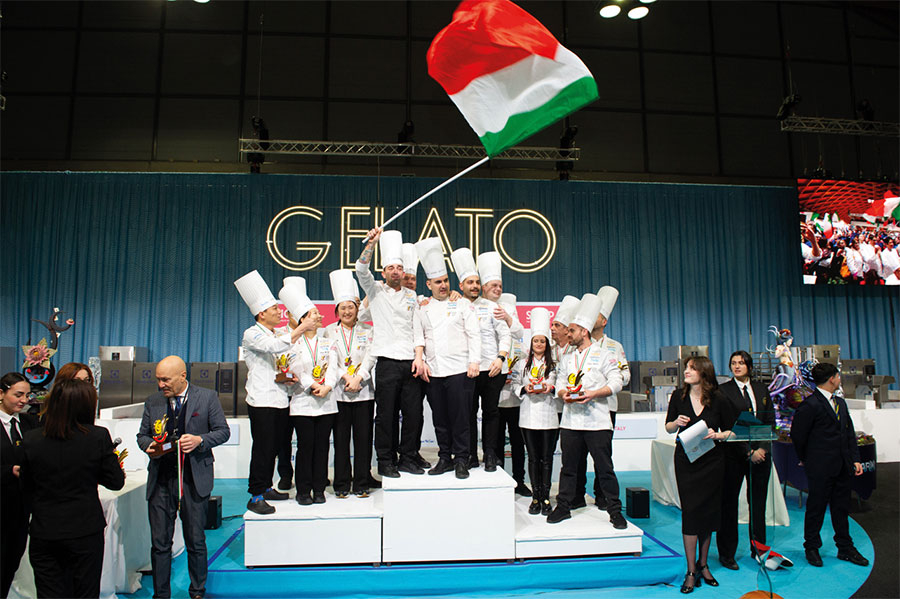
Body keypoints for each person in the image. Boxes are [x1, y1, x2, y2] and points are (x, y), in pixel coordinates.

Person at [20, 379, 125, 599]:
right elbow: (115, 481)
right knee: (84, 592)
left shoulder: (31, 439)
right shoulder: (97, 437)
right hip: (84, 530)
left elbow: (26, 489)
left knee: (48, 592)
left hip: (45, 530)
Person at [136, 355, 230, 599]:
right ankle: (161, 594)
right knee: (160, 544)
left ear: (182, 377)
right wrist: (148, 447)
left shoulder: (207, 397)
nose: (161, 385)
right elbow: (142, 436)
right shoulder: (153, 401)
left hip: (194, 479)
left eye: (165, 380)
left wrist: (200, 440)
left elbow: (222, 432)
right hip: (161, 480)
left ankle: (197, 591)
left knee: (196, 541)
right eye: (158, 380)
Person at [234, 270, 309, 514]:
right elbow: (274, 346)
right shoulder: (252, 333)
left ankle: (266, 486)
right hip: (262, 400)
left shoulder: (277, 332)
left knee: (275, 447)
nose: (279, 312)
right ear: (261, 313)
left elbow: (284, 355)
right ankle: (255, 496)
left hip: (280, 399)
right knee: (263, 448)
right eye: (275, 310)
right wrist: (301, 328)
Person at [549, 294, 626, 530]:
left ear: (583, 331)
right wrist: (563, 394)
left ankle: (614, 511)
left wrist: (594, 393)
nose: (568, 335)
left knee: (605, 469)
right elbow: (561, 382)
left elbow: (617, 381)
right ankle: (564, 506)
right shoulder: (568, 358)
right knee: (569, 468)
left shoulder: (606, 355)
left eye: (571, 330)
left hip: (598, 422)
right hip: (571, 422)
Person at [355, 228, 424, 478]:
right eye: (391, 268)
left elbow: (417, 329)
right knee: (386, 417)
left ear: (403, 272)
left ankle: (407, 457)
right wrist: (371, 244)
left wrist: (419, 357)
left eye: (399, 268)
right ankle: (385, 460)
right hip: (385, 363)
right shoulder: (375, 291)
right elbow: (360, 270)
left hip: (410, 363)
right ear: (384, 272)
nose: (396, 272)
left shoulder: (413, 296)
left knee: (413, 414)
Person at [664, 356, 735, 593]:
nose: (686, 372)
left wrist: (718, 435)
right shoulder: (678, 396)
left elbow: (732, 431)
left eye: (692, 369)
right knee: (691, 513)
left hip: (713, 462)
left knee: (708, 513)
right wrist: (676, 422)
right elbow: (668, 427)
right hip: (686, 461)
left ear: (703, 373)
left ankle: (704, 565)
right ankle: (691, 570)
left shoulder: (719, 398)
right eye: (686, 368)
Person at [413, 238, 481, 479]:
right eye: (438, 282)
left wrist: (474, 362)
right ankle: (445, 458)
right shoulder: (422, 306)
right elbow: (418, 337)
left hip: (460, 370)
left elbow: (474, 334)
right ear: (428, 283)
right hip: (433, 371)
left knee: (461, 418)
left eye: (445, 281)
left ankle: (462, 459)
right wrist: (421, 361)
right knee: (440, 418)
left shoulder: (462, 304)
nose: (443, 285)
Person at [791, 362, 868, 568]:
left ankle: (845, 547)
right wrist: (807, 459)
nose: (839, 379)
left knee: (841, 508)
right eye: (838, 376)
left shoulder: (840, 404)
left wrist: (855, 458)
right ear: (832, 378)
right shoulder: (809, 405)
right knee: (815, 508)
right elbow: (798, 436)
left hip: (843, 466)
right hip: (819, 468)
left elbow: (848, 433)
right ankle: (812, 547)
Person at [451, 248, 510, 471]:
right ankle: (469, 456)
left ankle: (491, 455)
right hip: (466, 369)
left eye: (477, 282)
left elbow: (504, 335)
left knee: (491, 413)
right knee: (466, 414)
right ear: (461, 286)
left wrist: (500, 358)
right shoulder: (454, 305)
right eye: (470, 283)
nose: (474, 286)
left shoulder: (492, 307)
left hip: (492, 369)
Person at [716, 350, 775, 569]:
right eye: (733, 363)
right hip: (733, 455)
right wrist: (748, 451)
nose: (737, 366)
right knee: (729, 505)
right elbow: (727, 425)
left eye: (741, 363)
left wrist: (762, 448)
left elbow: (769, 420)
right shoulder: (723, 391)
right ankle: (727, 554)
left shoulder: (762, 388)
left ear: (749, 365)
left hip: (761, 455)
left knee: (758, 505)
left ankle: (759, 549)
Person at [324, 269, 376, 498]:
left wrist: (359, 377)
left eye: (351, 307)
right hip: (339, 393)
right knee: (341, 441)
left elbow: (371, 356)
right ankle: (342, 484)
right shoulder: (327, 332)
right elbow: (328, 361)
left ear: (358, 309)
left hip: (364, 392)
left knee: (364, 440)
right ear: (337, 311)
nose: (347, 311)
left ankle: (362, 482)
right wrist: (346, 377)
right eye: (342, 308)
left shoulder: (368, 330)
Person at [284, 286, 339, 505]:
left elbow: (333, 369)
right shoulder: (293, 343)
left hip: (326, 402)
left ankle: (319, 489)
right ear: (303, 319)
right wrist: (313, 385)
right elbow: (295, 368)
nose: (318, 316)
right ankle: (303, 490)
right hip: (303, 402)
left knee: (323, 447)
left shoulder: (328, 342)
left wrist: (328, 386)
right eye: (313, 313)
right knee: (306, 447)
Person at [584, 285, 630, 510]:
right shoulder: (581, 346)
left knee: (603, 454)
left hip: (607, 406)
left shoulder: (614, 346)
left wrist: (605, 382)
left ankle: (602, 494)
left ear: (604, 322)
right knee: (581, 452)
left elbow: (626, 375)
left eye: (597, 316)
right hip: (582, 405)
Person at [515, 308, 559, 516]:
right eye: (536, 341)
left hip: (549, 416)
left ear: (547, 344)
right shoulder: (523, 364)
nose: (539, 345)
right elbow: (516, 385)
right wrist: (525, 388)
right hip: (528, 415)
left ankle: (546, 498)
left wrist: (551, 388)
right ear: (531, 343)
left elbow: (558, 385)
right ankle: (535, 497)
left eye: (542, 341)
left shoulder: (554, 364)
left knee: (547, 458)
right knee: (533, 458)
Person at [0, 373, 37, 599]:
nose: (24, 400)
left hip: (21, 509)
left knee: (12, 562)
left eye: (27, 395)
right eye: (18, 394)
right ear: (1, 394)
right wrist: (9, 471)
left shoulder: (29, 422)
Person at [496, 292, 530, 496]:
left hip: (517, 402)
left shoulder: (522, 348)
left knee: (518, 444)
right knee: (497, 444)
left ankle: (520, 480)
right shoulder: (494, 344)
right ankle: (499, 480)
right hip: (497, 402)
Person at [275, 276, 307, 491]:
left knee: (307, 440)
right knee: (282, 440)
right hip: (282, 395)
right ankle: (285, 474)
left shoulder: (315, 334)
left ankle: (311, 474)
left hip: (306, 395)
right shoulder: (277, 335)